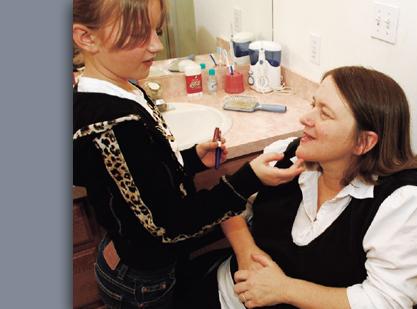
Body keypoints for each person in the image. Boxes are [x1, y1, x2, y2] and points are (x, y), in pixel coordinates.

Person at [71, 0, 304, 308]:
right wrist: (248, 179)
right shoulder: (112, 124)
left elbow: (145, 175)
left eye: (155, 31)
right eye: (138, 34)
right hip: (142, 281)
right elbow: (168, 225)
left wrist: (192, 158)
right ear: (87, 38)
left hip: (131, 253)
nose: (156, 45)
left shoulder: (122, 86)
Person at [190, 65, 417, 309]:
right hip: (226, 293)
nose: (305, 119)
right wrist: (247, 252)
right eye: (313, 105)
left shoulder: (402, 202)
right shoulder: (287, 156)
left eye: (325, 113)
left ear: (363, 141)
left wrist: (284, 289)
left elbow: (385, 301)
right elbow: (229, 206)